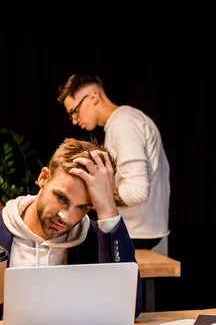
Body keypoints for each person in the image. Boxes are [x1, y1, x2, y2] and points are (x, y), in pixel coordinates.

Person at [0, 138, 142, 323]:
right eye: (61, 198)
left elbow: (130, 308)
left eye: (83, 207)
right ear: (43, 177)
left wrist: (107, 207)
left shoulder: (98, 238)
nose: (66, 217)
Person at [57, 74, 170, 252]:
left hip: (138, 234)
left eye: (74, 111)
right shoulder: (123, 121)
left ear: (92, 97)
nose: (74, 120)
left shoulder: (124, 123)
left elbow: (137, 191)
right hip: (143, 231)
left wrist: (91, 200)